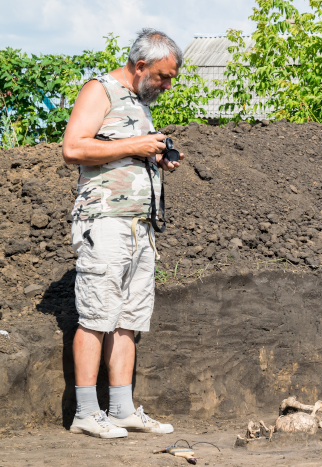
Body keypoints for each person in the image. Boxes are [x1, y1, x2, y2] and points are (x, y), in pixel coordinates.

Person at [62, 28, 184, 438]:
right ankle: (85, 413)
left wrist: (157, 156)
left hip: (139, 226)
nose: (167, 86)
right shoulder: (100, 90)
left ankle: (121, 409)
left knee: (128, 320)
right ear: (140, 65)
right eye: (163, 77)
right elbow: (74, 148)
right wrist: (137, 145)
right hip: (105, 222)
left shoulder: (138, 101)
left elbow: (126, 148)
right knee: (97, 316)